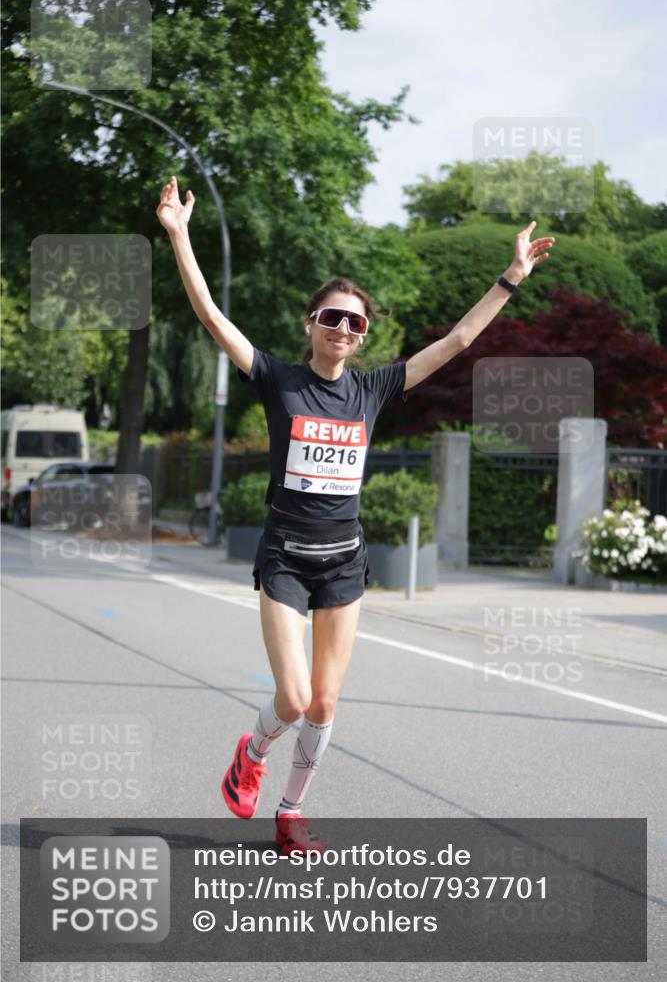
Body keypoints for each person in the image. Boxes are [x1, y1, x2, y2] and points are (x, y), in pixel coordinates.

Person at [157, 174, 555, 854]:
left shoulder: (373, 389)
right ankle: (250, 754)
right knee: (292, 697)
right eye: (331, 316)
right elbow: (210, 316)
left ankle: (290, 813)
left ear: (362, 336)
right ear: (310, 324)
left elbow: (457, 340)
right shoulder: (277, 377)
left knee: (326, 703)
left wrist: (509, 278)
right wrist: (179, 235)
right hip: (284, 557)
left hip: (343, 561)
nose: (343, 327)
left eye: (354, 321)